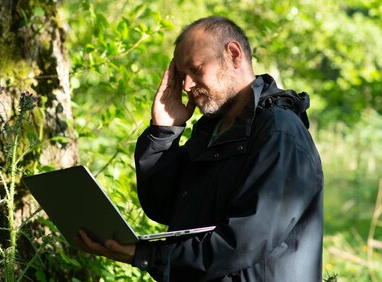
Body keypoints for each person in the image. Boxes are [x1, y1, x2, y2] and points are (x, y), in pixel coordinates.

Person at [77, 16, 324, 281]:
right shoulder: (211, 130)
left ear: (233, 54)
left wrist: (147, 255)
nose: (186, 86)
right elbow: (163, 207)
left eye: (195, 69)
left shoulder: (278, 132)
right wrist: (164, 132)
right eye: (182, 75)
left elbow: (243, 242)